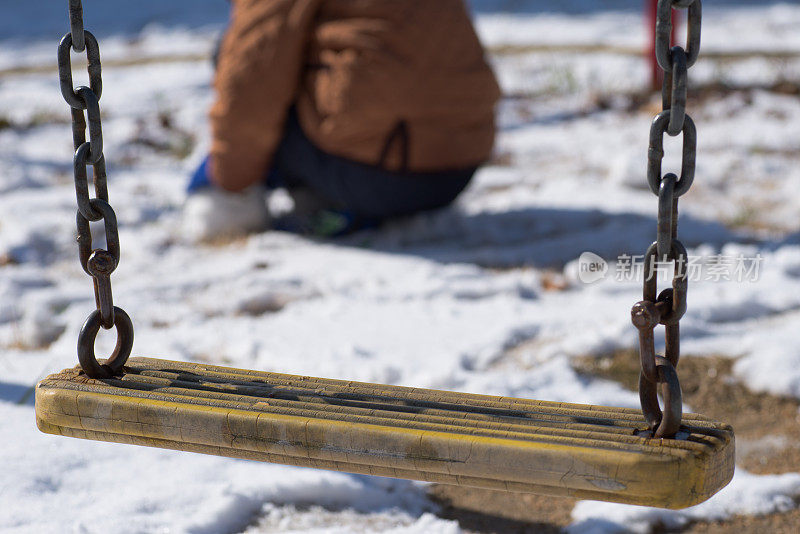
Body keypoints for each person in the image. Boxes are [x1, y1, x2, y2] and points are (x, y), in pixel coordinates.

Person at [183, 0, 500, 241]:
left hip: (378, 176)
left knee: (233, 51)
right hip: (457, 167)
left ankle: (242, 204)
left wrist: (226, 181)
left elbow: (253, 74)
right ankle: (323, 197)